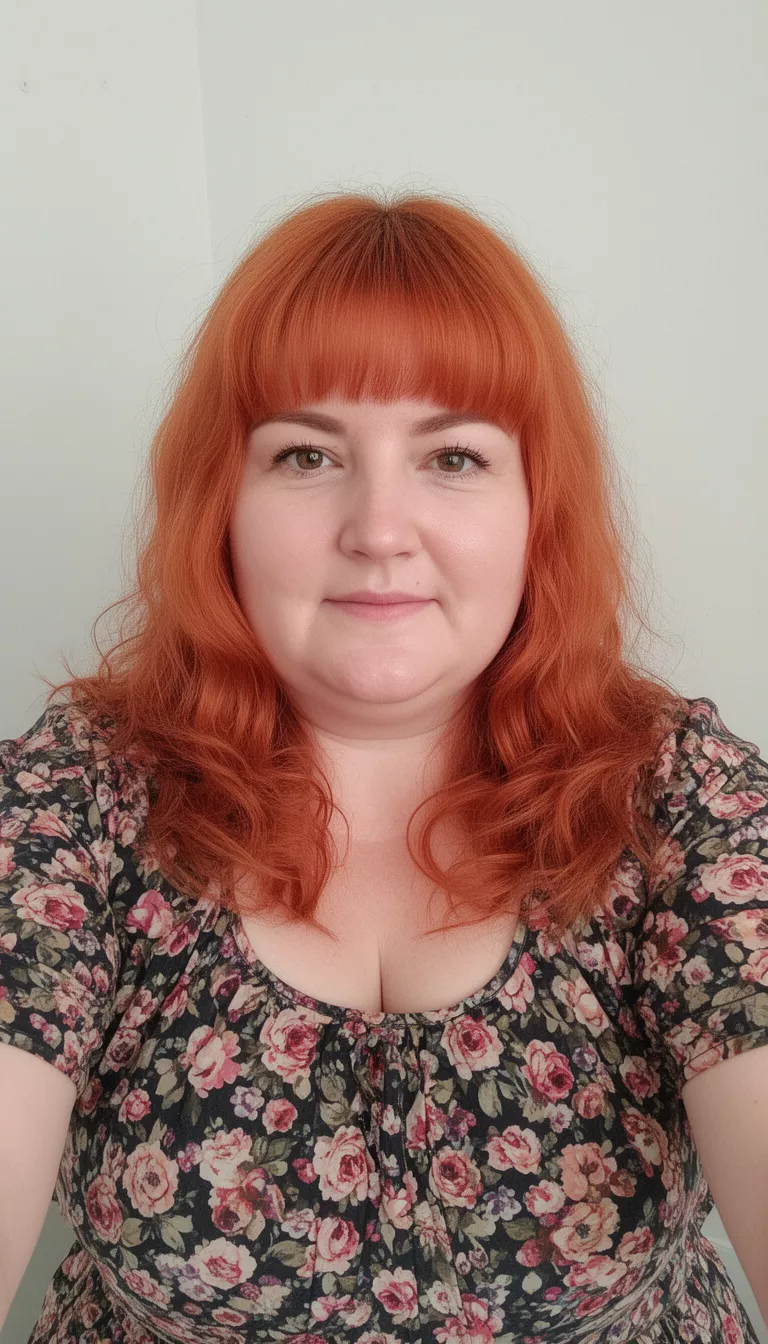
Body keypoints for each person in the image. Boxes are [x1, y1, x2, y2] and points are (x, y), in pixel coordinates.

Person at [1, 189, 766, 1344]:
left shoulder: (678, 803)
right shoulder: (79, 802)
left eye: (453, 456)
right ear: (224, 501)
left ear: (533, 510)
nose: (379, 526)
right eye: (307, 453)